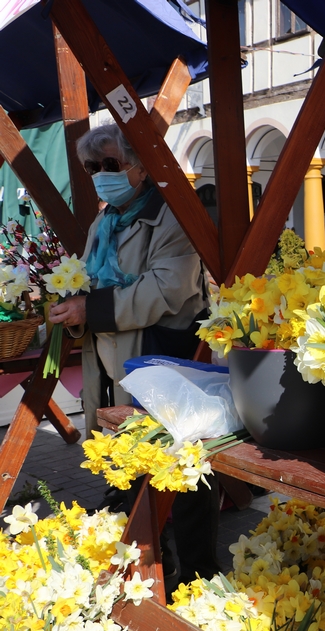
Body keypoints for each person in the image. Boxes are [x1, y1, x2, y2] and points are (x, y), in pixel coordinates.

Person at [48, 124, 220, 585]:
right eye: (92, 168)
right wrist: (73, 310)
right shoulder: (103, 221)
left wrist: (91, 307)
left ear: (140, 167)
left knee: (183, 480)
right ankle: (150, 579)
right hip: (113, 367)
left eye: (110, 165)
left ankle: (199, 583)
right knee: (132, 477)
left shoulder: (172, 217)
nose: (101, 175)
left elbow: (168, 288)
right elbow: (89, 280)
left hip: (164, 363)